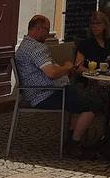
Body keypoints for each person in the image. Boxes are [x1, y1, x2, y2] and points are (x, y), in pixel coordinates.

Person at [14, 15, 102, 156]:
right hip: (44, 94)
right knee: (94, 103)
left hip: (39, 92)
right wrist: (67, 67)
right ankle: (74, 144)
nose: (48, 34)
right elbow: (52, 73)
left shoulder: (25, 45)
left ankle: (72, 138)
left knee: (79, 96)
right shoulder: (36, 48)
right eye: (47, 30)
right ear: (38, 28)